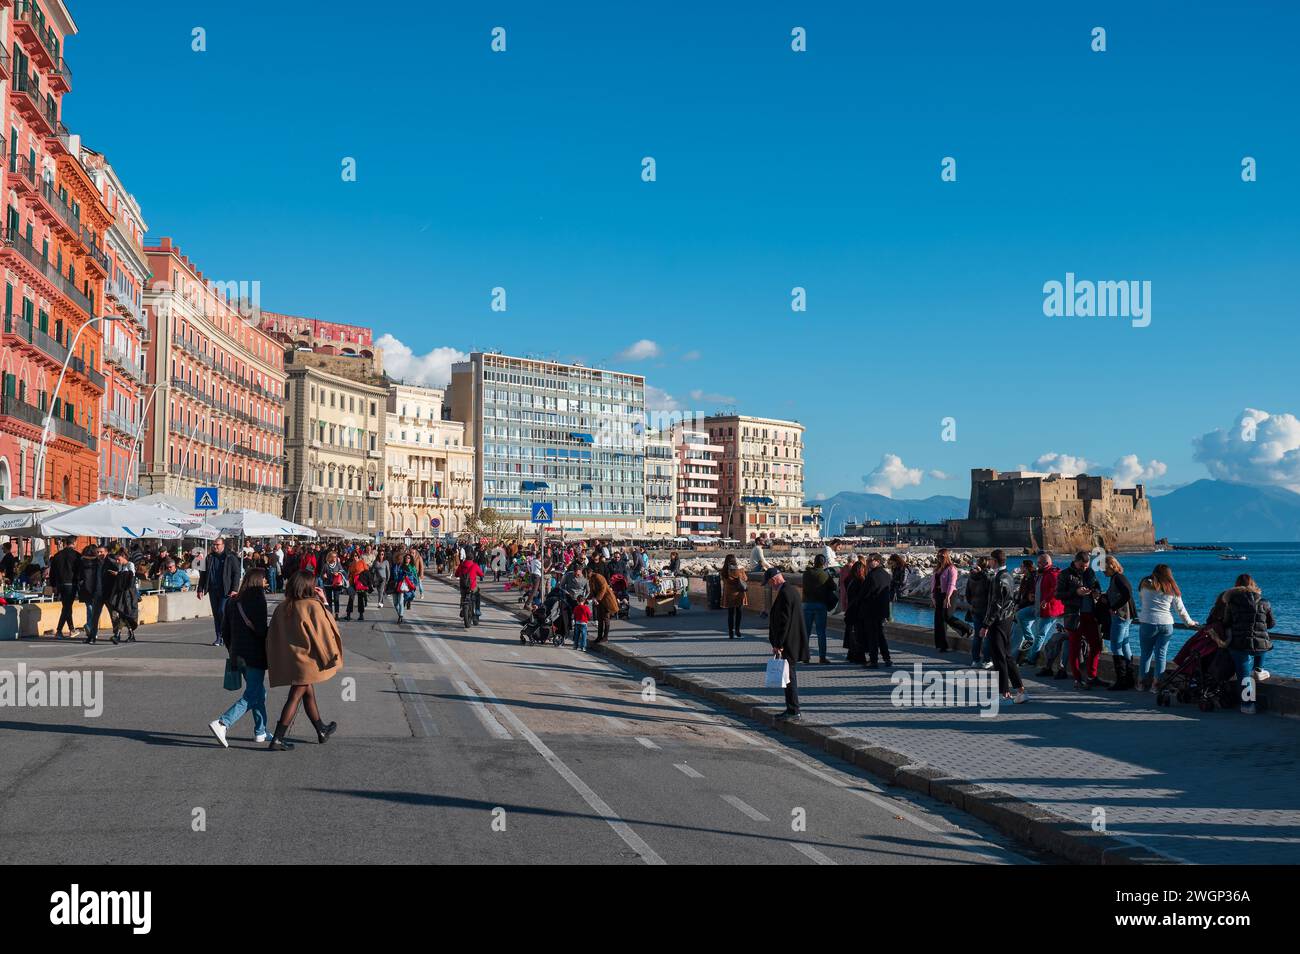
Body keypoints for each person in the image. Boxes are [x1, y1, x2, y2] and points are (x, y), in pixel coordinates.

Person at [266, 570, 343, 750]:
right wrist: (324, 601)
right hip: (306, 660)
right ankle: (278, 738)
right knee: (295, 696)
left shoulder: (283, 607)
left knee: (307, 692)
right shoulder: (312, 606)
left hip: (291, 658)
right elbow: (328, 627)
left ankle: (321, 729)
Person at [208, 569, 273, 746]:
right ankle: (223, 723)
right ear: (258, 581)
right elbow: (260, 630)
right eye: (264, 578)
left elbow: (224, 630)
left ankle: (261, 731)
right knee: (253, 694)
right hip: (254, 654)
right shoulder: (258, 598)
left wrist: (232, 650)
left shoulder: (233, 601)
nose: (266, 580)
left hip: (237, 653)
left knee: (258, 692)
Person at [1136, 564, 1197, 692]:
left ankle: (1141, 684)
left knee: (1146, 654)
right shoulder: (1172, 588)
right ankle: (1156, 685)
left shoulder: (1145, 584)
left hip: (1148, 623)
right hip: (1166, 624)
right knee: (1161, 656)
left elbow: (1141, 599)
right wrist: (1189, 622)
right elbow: (1180, 609)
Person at [1220, 574, 1274, 714]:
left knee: (1244, 675)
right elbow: (1271, 624)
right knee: (1261, 648)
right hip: (1260, 644)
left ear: (1236, 586)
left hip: (1239, 643)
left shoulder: (1232, 602)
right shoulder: (1265, 602)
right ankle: (1258, 670)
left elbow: (1226, 622)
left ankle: (1247, 705)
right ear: (1253, 585)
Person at [978, 550, 1028, 703]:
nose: (989, 563)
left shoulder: (999, 578)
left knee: (998, 656)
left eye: (990, 560)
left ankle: (1005, 692)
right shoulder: (1009, 576)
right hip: (1006, 620)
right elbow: (1010, 600)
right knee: (1007, 655)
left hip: (998, 621)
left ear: (995, 561)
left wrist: (986, 624)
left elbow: (995, 604)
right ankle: (1019, 689)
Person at [766, 568, 809, 720]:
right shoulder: (791, 590)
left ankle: (793, 709)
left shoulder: (785, 593)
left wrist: (778, 643)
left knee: (789, 677)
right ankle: (792, 708)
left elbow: (784, 622)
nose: (771, 587)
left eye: (770, 584)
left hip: (788, 642)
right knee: (789, 676)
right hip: (793, 640)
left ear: (775, 580)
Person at [1058, 550, 1103, 690]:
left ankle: (1091, 676)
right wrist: (1076, 592)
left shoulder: (1090, 572)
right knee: (1074, 648)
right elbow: (1058, 594)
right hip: (1074, 615)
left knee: (1096, 645)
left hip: (1090, 614)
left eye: (1086, 566)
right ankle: (1077, 679)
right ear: (1075, 561)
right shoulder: (1065, 574)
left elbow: (1097, 587)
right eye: (1081, 566)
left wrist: (1096, 593)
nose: (1084, 568)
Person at [1096, 555, 1137, 690]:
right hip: (1126, 616)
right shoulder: (1116, 578)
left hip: (1121, 616)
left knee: (1115, 646)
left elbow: (1127, 593)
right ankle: (1129, 679)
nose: (1102, 571)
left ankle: (1121, 679)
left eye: (1104, 568)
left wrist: (1114, 607)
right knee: (1125, 645)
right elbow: (1120, 594)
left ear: (1111, 567)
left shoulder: (1118, 578)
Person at [197, 538, 241, 647]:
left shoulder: (230, 557)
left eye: (217, 544)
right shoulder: (210, 557)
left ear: (223, 545)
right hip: (213, 589)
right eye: (214, 544)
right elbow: (203, 574)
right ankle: (219, 637)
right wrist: (200, 589)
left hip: (225, 591)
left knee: (222, 611)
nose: (215, 546)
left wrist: (235, 589)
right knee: (216, 614)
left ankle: (227, 634)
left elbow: (236, 573)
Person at [930, 549, 971, 651]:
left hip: (951, 594)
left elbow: (951, 584)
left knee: (947, 616)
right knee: (939, 620)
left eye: (942, 557)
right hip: (938, 594)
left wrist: (947, 597)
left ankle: (967, 628)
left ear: (947, 557)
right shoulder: (937, 569)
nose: (939, 558)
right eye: (938, 556)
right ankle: (942, 645)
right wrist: (932, 596)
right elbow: (933, 583)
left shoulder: (952, 568)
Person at [801, 554, 836, 664]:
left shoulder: (806, 574)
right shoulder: (825, 574)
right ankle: (822, 657)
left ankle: (805, 656)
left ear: (814, 562)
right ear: (824, 563)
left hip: (807, 604)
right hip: (820, 605)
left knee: (806, 632)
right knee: (821, 632)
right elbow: (834, 587)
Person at [861, 553, 895, 668]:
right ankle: (887, 659)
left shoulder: (871, 576)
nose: (869, 562)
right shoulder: (886, 575)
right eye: (868, 560)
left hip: (871, 609)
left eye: (871, 560)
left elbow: (864, 593)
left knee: (872, 636)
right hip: (882, 610)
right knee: (880, 635)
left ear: (877, 561)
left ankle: (873, 660)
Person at [103, 551, 140, 644]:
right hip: (122, 593)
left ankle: (119, 635)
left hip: (129, 593)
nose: (117, 561)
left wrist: (118, 574)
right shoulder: (121, 566)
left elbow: (130, 577)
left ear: (124, 557)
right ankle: (126, 635)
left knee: (125, 614)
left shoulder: (130, 564)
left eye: (118, 559)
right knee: (122, 613)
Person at [48, 538, 82, 639]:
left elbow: (52, 573)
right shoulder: (77, 556)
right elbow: (79, 572)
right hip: (71, 584)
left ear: (65, 543)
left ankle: (71, 629)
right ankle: (59, 630)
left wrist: (53, 585)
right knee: (67, 607)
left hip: (60, 584)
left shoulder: (57, 556)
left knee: (66, 607)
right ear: (74, 543)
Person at [965, 557, 993, 669]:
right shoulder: (988, 578)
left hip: (975, 609)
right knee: (987, 635)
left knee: (977, 635)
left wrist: (973, 603)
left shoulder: (971, 578)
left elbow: (967, 596)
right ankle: (986, 660)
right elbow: (991, 595)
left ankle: (975, 660)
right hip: (986, 610)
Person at [79, 544, 106, 644]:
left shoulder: (82, 561)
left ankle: (90, 629)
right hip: (95, 588)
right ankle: (91, 628)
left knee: (89, 609)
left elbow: (79, 575)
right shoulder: (98, 561)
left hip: (85, 588)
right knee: (95, 612)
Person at [585, 565, 619, 645]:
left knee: (606, 618)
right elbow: (592, 592)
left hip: (606, 600)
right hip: (599, 602)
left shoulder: (598, 577)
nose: (585, 577)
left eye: (585, 574)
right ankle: (599, 636)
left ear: (589, 573)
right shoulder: (591, 579)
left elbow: (603, 588)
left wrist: (597, 598)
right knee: (600, 619)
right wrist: (587, 599)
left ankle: (605, 637)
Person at [719, 554, 748, 639]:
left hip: (729, 594)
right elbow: (745, 579)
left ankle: (730, 632)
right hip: (739, 594)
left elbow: (725, 581)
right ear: (735, 560)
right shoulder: (740, 570)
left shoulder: (724, 571)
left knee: (730, 614)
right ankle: (737, 630)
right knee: (739, 613)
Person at [343, 552, 370, 621]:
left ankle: (361, 615)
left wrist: (364, 580)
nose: (355, 557)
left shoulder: (362, 562)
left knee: (360, 598)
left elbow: (367, 572)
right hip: (352, 582)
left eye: (356, 556)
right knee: (351, 598)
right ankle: (348, 615)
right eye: (353, 556)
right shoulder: (351, 564)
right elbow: (349, 573)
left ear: (358, 556)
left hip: (360, 582)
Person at [320, 550, 346, 618]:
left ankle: (337, 614)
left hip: (336, 584)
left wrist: (338, 573)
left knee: (336, 599)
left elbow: (343, 572)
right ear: (329, 557)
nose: (335, 558)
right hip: (328, 584)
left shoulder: (338, 564)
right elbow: (321, 574)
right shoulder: (326, 565)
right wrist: (323, 576)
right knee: (329, 600)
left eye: (335, 557)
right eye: (333, 557)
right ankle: (330, 613)